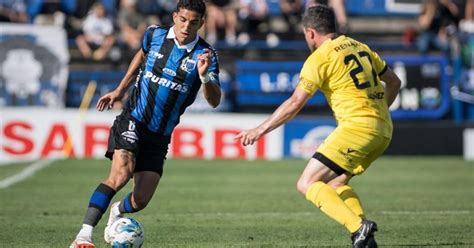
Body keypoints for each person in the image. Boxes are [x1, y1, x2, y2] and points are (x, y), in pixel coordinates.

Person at [235, 5, 401, 248]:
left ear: (310, 33)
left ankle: (358, 227)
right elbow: (394, 83)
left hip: (356, 128)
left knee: (307, 183)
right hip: (384, 129)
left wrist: (259, 130)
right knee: (336, 184)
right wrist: (379, 113)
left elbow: (294, 103)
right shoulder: (360, 47)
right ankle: (363, 237)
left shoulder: (320, 57)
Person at [69, 0, 222, 247]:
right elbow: (140, 56)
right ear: (175, 17)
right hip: (133, 119)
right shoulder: (154, 35)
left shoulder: (206, 55)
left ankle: (117, 210)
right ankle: (83, 235)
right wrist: (120, 90)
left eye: (193, 22)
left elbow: (214, 101)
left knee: (141, 200)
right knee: (120, 174)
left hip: (160, 135)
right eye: (183, 20)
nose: (186, 26)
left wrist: (205, 77)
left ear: (201, 23)